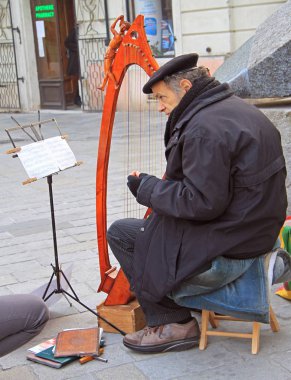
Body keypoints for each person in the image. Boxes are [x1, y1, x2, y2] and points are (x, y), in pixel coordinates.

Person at [106, 53, 288, 353]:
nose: (161, 107)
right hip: (257, 228)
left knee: (124, 233)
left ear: (187, 86)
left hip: (235, 243)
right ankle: (174, 313)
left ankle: (174, 323)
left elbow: (202, 203)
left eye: (162, 98)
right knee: (154, 227)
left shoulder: (204, 129)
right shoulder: (231, 109)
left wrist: (148, 188)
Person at [97, 15, 131, 91]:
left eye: (124, 26)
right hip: (111, 53)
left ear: (125, 29)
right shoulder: (122, 36)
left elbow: (111, 27)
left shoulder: (118, 35)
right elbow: (122, 17)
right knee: (107, 71)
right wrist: (121, 19)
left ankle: (115, 84)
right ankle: (103, 86)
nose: (122, 26)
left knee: (108, 71)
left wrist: (117, 19)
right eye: (122, 25)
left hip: (109, 54)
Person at [65, 26, 81, 106]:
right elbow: (67, 43)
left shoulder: (80, 31)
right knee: (78, 79)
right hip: (75, 61)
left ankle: (78, 98)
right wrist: (78, 48)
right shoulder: (74, 31)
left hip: (79, 59)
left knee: (81, 79)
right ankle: (77, 98)